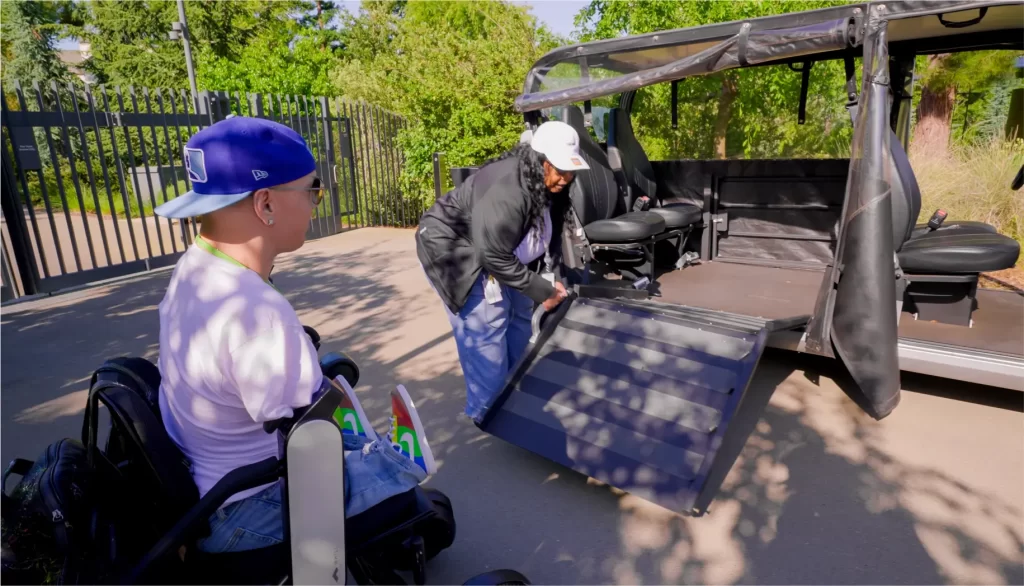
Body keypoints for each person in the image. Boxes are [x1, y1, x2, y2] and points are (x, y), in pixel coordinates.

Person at [153, 116, 437, 554]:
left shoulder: (195, 269)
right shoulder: (257, 313)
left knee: (333, 410)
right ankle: (393, 463)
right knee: (397, 470)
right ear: (265, 203)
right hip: (247, 510)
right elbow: (307, 427)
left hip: (205, 490)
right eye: (311, 191)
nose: (315, 204)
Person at [416, 121, 589, 424]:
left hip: (500, 251)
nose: (566, 178)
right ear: (540, 161)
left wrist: (551, 276)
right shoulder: (510, 190)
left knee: (521, 318)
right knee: (487, 329)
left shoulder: (547, 183)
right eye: (560, 169)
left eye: (571, 170)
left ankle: (512, 396)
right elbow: (492, 254)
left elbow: (547, 234)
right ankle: (489, 414)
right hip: (457, 252)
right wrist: (542, 292)